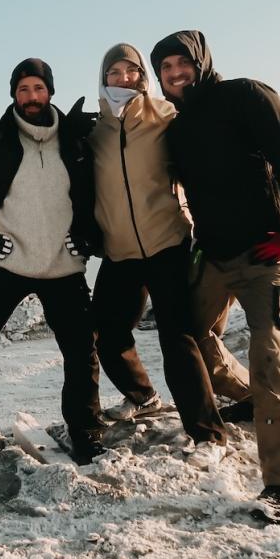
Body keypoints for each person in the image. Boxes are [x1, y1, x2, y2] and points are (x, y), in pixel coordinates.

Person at [150, 30, 280, 524]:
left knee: (269, 350)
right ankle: (250, 398)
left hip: (265, 253)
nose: (176, 73)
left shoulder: (246, 96)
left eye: (182, 63)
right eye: (166, 68)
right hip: (213, 255)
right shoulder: (176, 128)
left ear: (200, 62)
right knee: (189, 336)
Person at [0, 58, 105, 488]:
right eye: (23, 89)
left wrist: (88, 237)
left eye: (38, 89)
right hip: (3, 259)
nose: (31, 97)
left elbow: (95, 189)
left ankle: (85, 432)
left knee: (81, 352)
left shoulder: (74, 141)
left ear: (50, 92)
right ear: (13, 94)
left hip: (61, 262)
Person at [86, 43, 228, 469]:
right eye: (115, 71)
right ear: (104, 77)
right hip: (120, 250)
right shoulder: (95, 131)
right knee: (106, 334)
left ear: (142, 76)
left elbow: (202, 161)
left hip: (166, 242)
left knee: (177, 337)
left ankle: (207, 434)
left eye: (131, 70)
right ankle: (143, 397)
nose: (123, 78)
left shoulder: (165, 116)